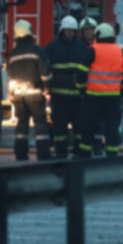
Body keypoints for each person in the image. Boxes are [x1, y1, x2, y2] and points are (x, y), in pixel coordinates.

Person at [76, 23, 123, 158]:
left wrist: (82, 91)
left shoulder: (92, 50)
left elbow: (81, 74)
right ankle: (112, 153)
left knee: (88, 126)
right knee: (111, 127)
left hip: (92, 97)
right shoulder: (120, 51)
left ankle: (85, 153)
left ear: (98, 36)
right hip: (113, 98)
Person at [7, 20, 53, 160]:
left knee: (22, 124)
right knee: (40, 124)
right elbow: (45, 74)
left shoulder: (12, 54)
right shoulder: (38, 51)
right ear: (30, 32)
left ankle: (20, 154)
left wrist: (10, 93)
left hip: (19, 95)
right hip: (34, 94)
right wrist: (47, 89)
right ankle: (43, 154)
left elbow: (10, 77)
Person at [44, 16, 87, 158]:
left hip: (78, 96)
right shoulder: (52, 47)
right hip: (59, 96)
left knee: (79, 127)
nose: (70, 33)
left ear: (76, 32)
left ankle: (79, 153)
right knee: (59, 127)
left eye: (72, 30)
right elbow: (42, 65)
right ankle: (60, 153)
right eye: (67, 30)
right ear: (62, 30)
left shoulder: (82, 47)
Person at [77, 16, 105, 153]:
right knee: (84, 119)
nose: (88, 32)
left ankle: (97, 144)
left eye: (90, 29)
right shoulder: (78, 46)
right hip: (83, 88)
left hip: (97, 88)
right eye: (86, 30)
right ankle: (84, 145)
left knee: (97, 119)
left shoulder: (99, 46)